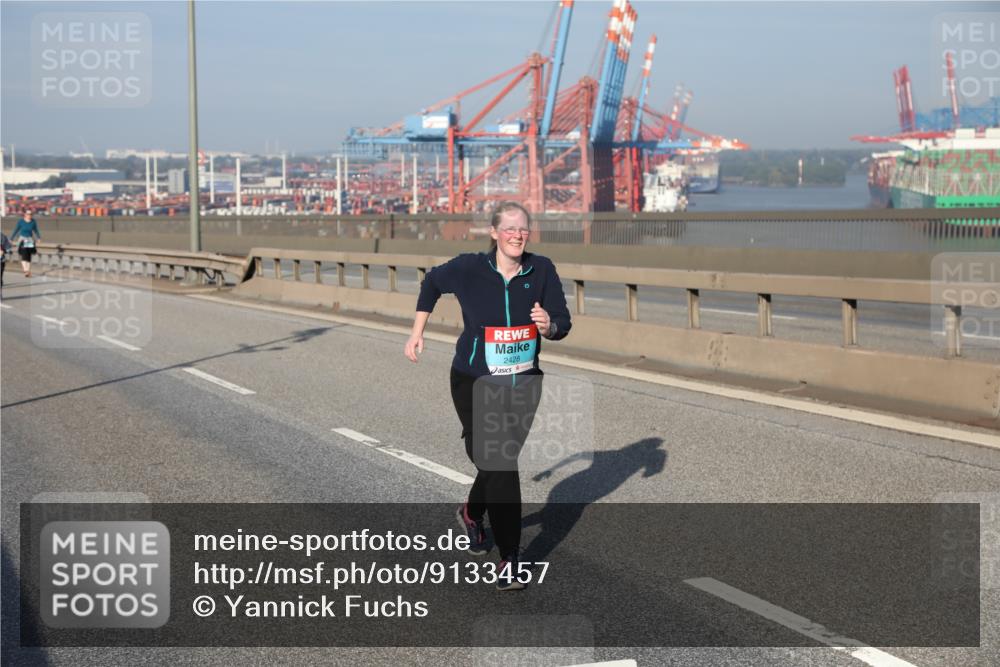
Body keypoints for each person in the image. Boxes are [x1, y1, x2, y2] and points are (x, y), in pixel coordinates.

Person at [404, 201, 572, 591]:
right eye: (510, 228)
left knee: (498, 461)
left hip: (524, 382)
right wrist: (417, 331)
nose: (518, 234)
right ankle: (511, 559)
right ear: (494, 232)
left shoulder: (541, 269)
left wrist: (550, 326)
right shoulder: (469, 268)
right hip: (474, 379)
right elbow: (431, 283)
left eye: (524, 229)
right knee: (500, 461)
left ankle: (471, 512)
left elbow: (563, 321)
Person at [11, 209, 41, 278]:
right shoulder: (21, 221)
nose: (29, 215)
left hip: (30, 239)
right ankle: (25, 270)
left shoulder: (33, 222)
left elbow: (36, 230)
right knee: (24, 254)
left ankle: (28, 270)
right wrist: (11, 238)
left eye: (30, 214)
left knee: (28, 255)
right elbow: (16, 230)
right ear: (25, 215)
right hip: (22, 239)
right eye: (28, 214)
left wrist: (38, 238)